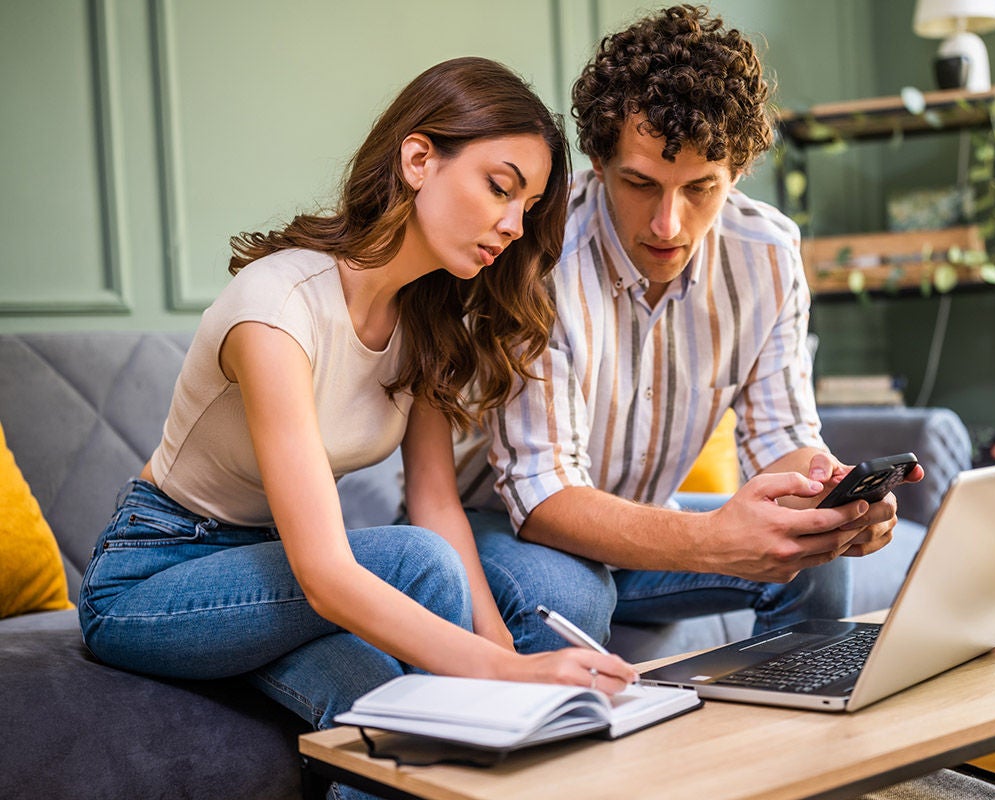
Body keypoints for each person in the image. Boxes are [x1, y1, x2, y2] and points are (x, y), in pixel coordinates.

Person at [76, 56, 638, 761]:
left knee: (383, 711)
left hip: (266, 577)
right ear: (418, 159)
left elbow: (437, 504)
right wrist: (508, 668)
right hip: (150, 580)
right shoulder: (276, 309)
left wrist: (518, 675)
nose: (513, 226)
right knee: (417, 561)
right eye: (500, 188)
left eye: (527, 209)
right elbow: (327, 572)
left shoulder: (429, 325)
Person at [454, 6, 924, 653]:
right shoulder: (537, 256)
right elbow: (545, 497)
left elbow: (781, 434)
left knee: (815, 562)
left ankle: (792, 744)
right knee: (569, 594)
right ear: (598, 158)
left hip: (647, 526)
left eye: (700, 187)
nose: (668, 224)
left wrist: (831, 502)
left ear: (738, 171)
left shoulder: (766, 252)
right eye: (641, 183)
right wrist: (713, 541)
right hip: (499, 526)